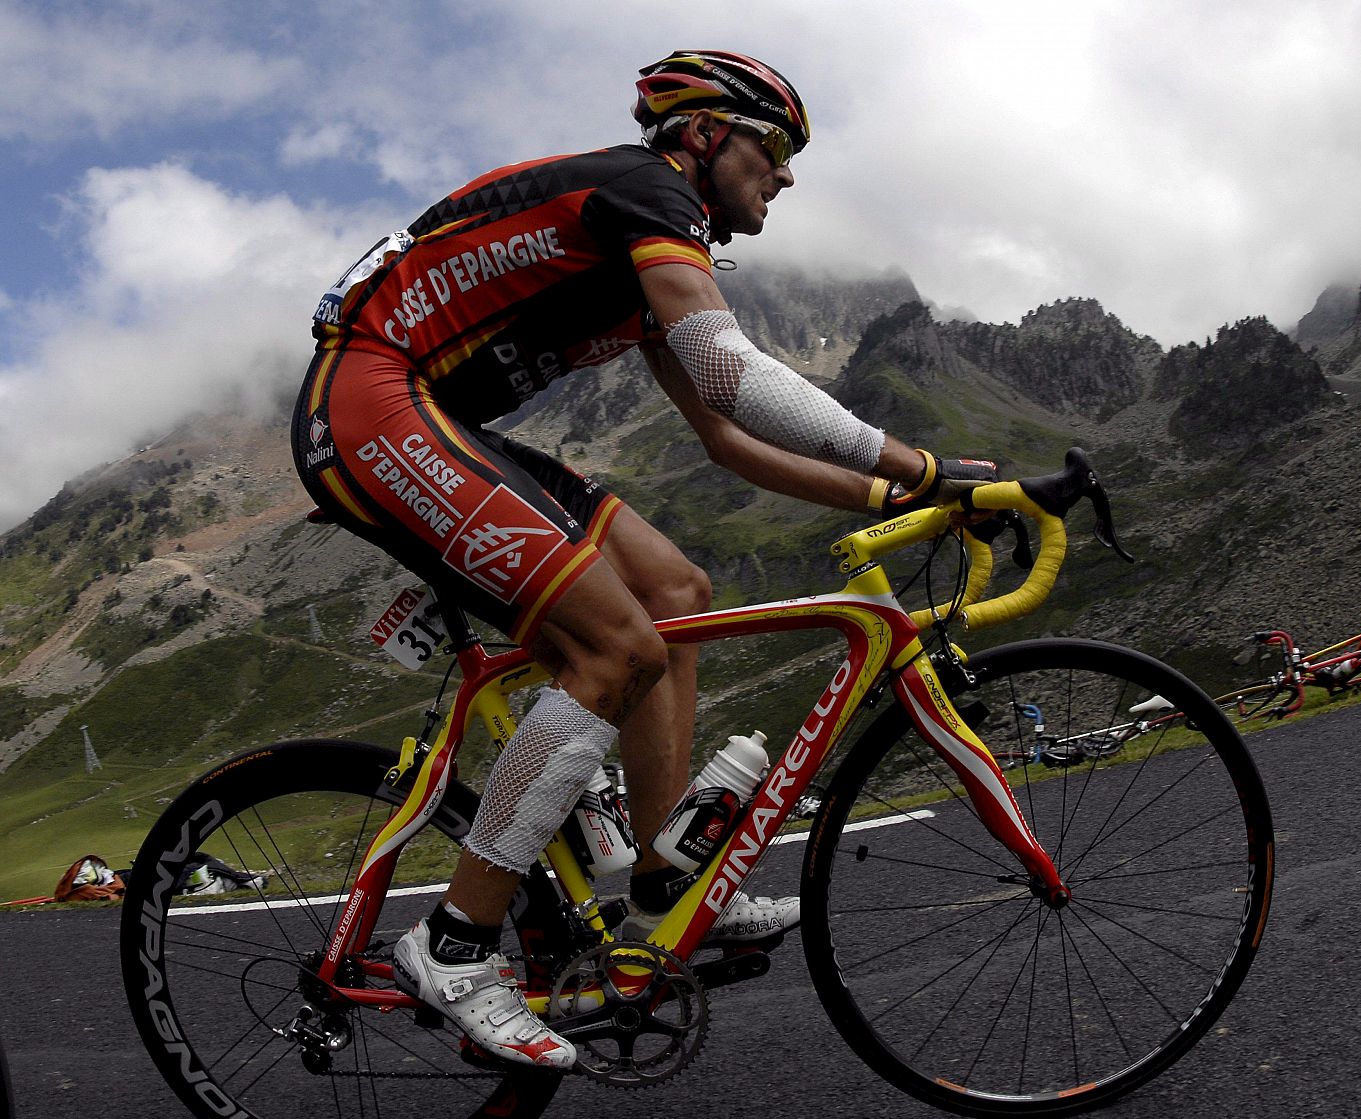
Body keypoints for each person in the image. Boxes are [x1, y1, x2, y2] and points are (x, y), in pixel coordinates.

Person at [290, 49, 995, 1069]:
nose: (789, 175)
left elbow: (726, 437)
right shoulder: (643, 192)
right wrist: (922, 463)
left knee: (674, 591)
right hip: (369, 398)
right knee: (612, 651)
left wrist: (907, 496)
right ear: (704, 135)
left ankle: (666, 881)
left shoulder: (647, 240)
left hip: (423, 415)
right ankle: (452, 944)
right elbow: (729, 370)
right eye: (777, 146)